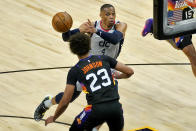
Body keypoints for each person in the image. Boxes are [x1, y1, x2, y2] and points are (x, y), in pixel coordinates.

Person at [34, 3, 127, 130]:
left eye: (113, 14)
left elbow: (115, 39)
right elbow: (66, 37)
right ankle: (47, 103)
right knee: (70, 96)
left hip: (107, 68)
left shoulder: (120, 26)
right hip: (87, 67)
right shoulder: (93, 26)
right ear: (100, 15)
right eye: (107, 14)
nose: (111, 16)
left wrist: (96, 31)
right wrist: (79, 30)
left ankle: (95, 128)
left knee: (106, 102)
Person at [44, 33, 134, 131]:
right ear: (89, 46)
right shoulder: (103, 59)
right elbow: (130, 71)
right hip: (116, 107)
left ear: (73, 51)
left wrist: (54, 117)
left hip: (96, 110)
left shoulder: (75, 70)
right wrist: (119, 76)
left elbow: (65, 100)